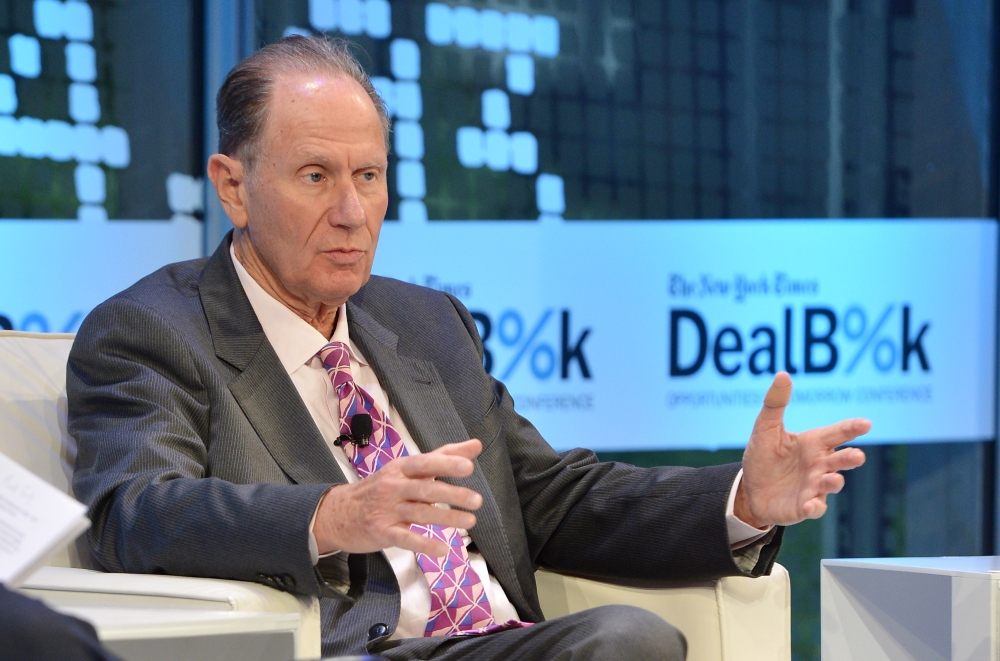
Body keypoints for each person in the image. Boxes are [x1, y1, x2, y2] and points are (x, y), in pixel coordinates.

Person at [67, 36, 868, 660]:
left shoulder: (424, 321)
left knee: (626, 636)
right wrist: (337, 513)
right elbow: (136, 514)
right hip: (357, 644)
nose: (353, 211)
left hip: (493, 636)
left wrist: (741, 500)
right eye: (315, 176)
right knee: (624, 639)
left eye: (370, 177)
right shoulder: (152, 332)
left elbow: (549, 497)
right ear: (232, 185)